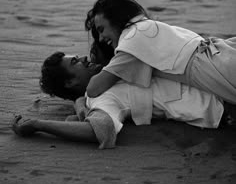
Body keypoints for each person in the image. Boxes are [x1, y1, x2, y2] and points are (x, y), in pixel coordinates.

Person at [12, 52, 234, 150]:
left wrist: (78, 103)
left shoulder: (110, 72)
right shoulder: (102, 98)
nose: (84, 58)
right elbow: (101, 129)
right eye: (76, 62)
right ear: (70, 82)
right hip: (222, 105)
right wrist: (39, 125)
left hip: (218, 76)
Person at [84, 0, 236, 104]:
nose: (102, 38)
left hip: (213, 67)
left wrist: (80, 100)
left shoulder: (132, 41)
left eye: (102, 29)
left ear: (116, 19)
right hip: (222, 51)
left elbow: (94, 88)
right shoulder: (146, 26)